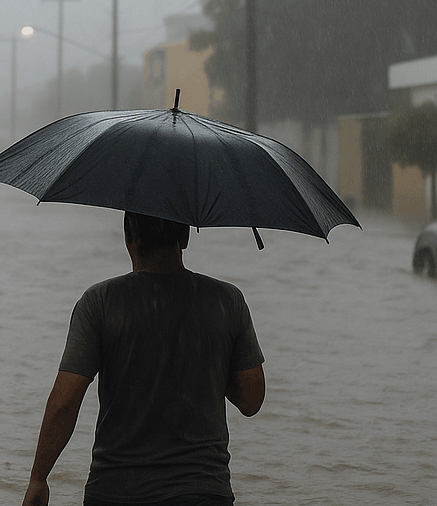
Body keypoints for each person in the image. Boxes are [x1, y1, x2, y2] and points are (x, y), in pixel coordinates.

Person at [22, 212, 266, 506]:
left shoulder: (100, 301)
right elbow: (251, 401)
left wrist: (38, 479)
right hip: (203, 491)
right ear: (185, 237)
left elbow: (64, 402)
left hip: (116, 490)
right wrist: (207, 350)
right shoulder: (227, 300)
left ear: (129, 239)